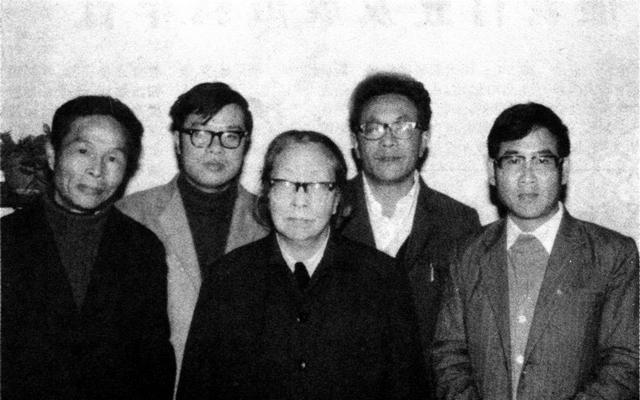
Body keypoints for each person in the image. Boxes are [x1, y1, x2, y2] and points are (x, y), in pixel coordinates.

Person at [177, 130, 427, 400]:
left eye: (317, 185)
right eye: (285, 184)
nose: (299, 200)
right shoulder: (227, 278)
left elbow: (408, 388)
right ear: (267, 193)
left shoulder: (382, 278)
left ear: (336, 199)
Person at [432, 102, 639, 399]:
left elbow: (626, 362)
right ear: (493, 171)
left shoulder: (612, 255)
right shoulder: (466, 255)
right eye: (514, 160)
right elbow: (449, 356)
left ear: (563, 170)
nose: (527, 176)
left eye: (542, 161)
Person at [1, 95, 175, 399]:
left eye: (113, 158)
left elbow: (154, 363)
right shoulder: (7, 239)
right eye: (83, 151)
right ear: (52, 154)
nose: (97, 170)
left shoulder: (142, 248)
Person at [339, 71, 481, 389]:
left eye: (403, 127)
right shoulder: (329, 212)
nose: (388, 140)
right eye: (374, 128)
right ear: (355, 143)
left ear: (424, 141)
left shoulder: (458, 223)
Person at [117, 82, 268, 379]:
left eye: (230, 135)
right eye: (200, 134)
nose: (215, 148)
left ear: (246, 143)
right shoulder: (130, 216)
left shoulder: (269, 221)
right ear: (177, 141)